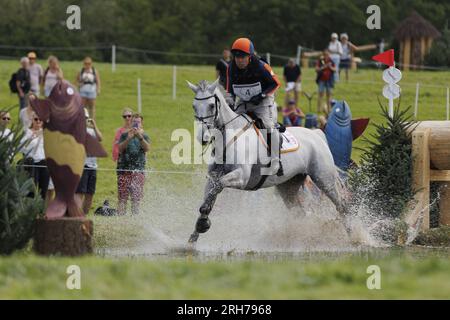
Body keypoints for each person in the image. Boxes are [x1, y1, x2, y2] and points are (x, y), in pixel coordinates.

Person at [226, 37, 282, 176]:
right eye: (236, 56)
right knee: (229, 124)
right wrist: (230, 102)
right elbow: (230, 89)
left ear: (250, 56)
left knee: (268, 126)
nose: (239, 60)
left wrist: (262, 96)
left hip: (263, 100)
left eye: (243, 56)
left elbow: (276, 83)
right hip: (244, 101)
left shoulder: (262, 66)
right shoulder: (230, 67)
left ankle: (276, 161)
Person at [117, 113, 150, 215]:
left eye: (138, 122)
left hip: (138, 171)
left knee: (136, 199)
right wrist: (128, 138)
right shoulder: (124, 135)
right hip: (124, 170)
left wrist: (140, 137)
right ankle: (121, 219)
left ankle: (135, 219)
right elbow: (120, 149)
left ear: (141, 123)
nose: (136, 124)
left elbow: (147, 148)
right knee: (122, 198)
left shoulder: (144, 136)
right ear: (131, 123)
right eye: (134, 122)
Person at [76, 108, 103, 215]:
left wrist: (94, 125)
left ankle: (84, 217)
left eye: (86, 118)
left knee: (90, 194)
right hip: (82, 166)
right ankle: (77, 216)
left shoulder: (92, 130)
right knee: (80, 193)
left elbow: (100, 138)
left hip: (93, 166)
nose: (85, 120)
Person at [20, 113, 49, 200]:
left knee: (43, 190)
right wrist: (33, 136)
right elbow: (22, 148)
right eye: (36, 119)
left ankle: (40, 211)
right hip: (31, 163)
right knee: (30, 190)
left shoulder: (46, 133)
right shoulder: (27, 132)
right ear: (32, 120)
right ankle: (30, 211)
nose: (38, 121)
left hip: (43, 163)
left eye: (40, 120)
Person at [315, 49, 336, 115]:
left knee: (329, 95)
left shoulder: (331, 61)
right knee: (320, 94)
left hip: (329, 80)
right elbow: (316, 69)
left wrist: (330, 67)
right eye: (325, 54)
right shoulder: (320, 61)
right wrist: (324, 67)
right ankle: (319, 109)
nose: (326, 56)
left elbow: (335, 70)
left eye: (327, 54)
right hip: (321, 80)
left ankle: (329, 109)